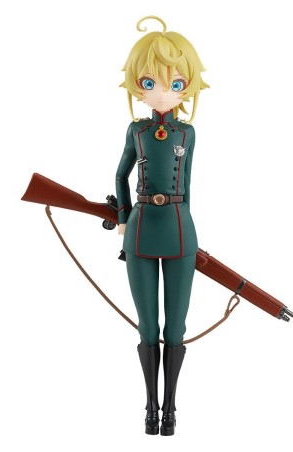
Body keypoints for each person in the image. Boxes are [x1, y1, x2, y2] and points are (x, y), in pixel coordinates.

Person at [115, 16, 208, 436]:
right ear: (138, 84)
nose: (163, 91)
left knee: (177, 326)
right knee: (147, 324)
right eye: (150, 81)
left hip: (179, 229)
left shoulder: (188, 133)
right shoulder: (135, 130)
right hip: (139, 229)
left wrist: (188, 226)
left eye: (176, 82)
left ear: (188, 86)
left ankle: (171, 407)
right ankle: (150, 406)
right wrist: (121, 218)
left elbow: (186, 186)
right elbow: (120, 176)